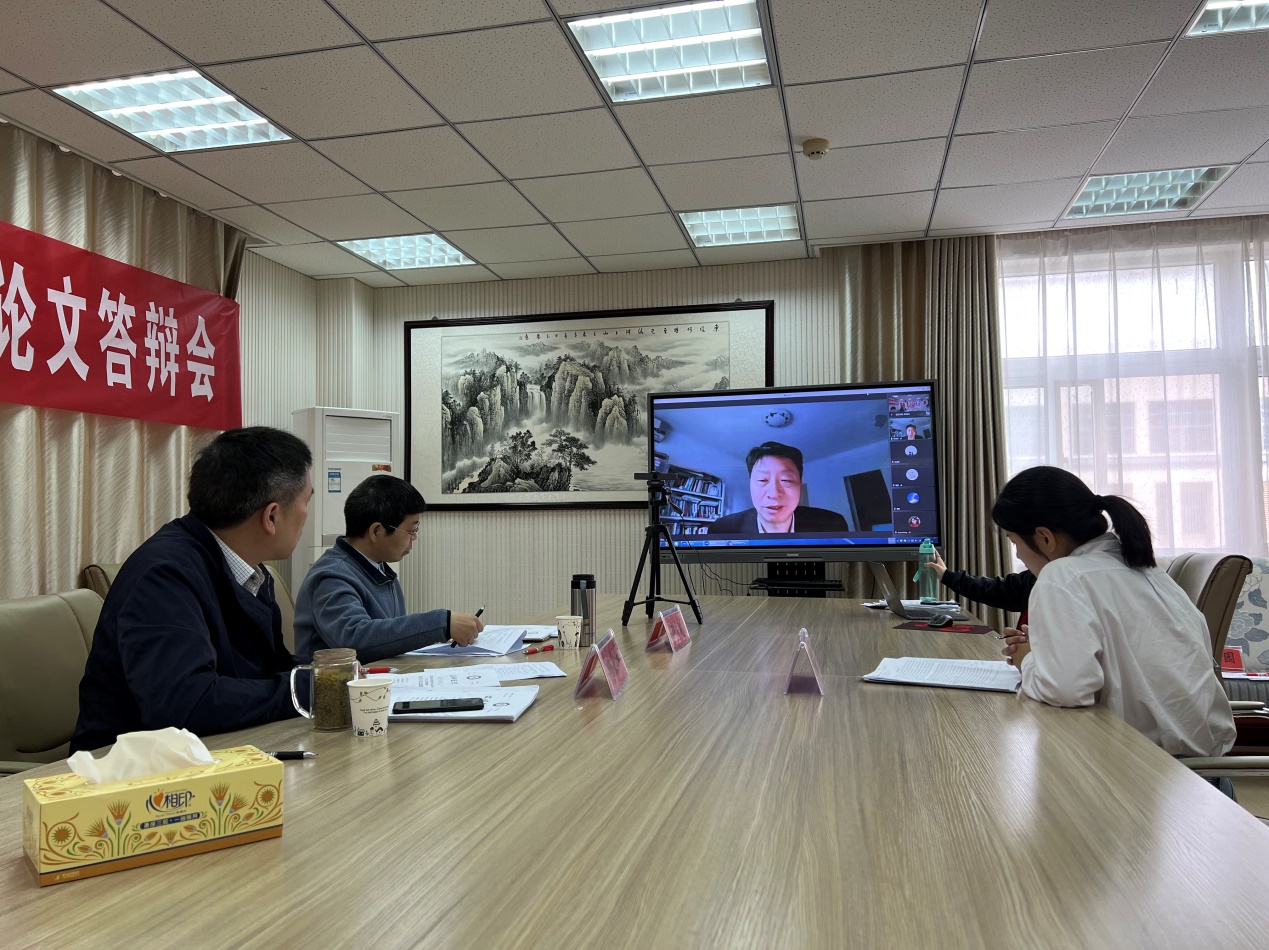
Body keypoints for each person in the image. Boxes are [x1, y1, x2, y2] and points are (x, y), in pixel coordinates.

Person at [72, 427, 314, 752]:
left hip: (213, 750)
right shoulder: (164, 575)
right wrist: (307, 689)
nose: (306, 514)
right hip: (125, 769)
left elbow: (267, 669)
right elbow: (187, 703)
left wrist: (334, 676)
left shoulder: (247, 569)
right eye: (306, 501)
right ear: (271, 516)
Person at [992, 466, 1234, 761]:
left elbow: (1065, 690)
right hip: (1207, 769)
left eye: (1014, 542)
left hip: (1149, 770)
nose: (1018, 555)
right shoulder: (1147, 571)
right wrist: (1048, 648)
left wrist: (1027, 659)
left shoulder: (1063, 575)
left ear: (1044, 538)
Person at [293, 474, 484, 663]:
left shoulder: (378, 568)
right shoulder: (332, 576)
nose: (414, 538)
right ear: (376, 531)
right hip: (336, 682)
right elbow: (354, 639)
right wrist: (442, 623)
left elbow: (387, 640)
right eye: (411, 531)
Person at [706, 442, 849, 535]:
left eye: (786, 480)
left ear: (800, 484)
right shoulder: (722, 530)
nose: (774, 494)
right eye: (762, 480)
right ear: (750, 484)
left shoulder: (832, 525)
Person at [922, 549, 1035, 622]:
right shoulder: (1031, 579)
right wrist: (947, 576)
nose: (1018, 555)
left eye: (1016, 542)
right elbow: (994, 589)